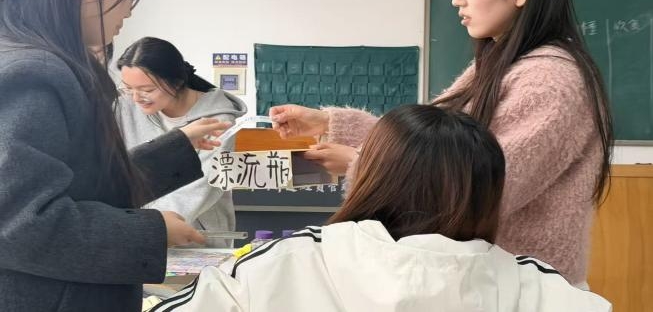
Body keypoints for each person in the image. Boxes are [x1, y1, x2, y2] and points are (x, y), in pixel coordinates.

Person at [269, 0, 613, 286]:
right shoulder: (501, 64)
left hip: (523, 289)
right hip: (491, 281)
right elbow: (432, 148)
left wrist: (360, 164)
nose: (456, 0)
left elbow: (480, 192)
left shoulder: (549, 82)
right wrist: (328, 123)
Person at [152, 105, 611, 312]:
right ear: (488, 191)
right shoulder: (540, 289)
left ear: (370, 173)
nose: (459, 0)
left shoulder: (282, 265)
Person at [0, 0, 230, 312]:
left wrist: (178, 145)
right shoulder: (32, 71)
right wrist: (151, 232)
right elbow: (18, 222)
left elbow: (87, 185)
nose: (130, 8)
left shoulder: (37, 58)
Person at [116, 37, 247, 245]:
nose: (136, 98)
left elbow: (200, 189)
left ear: (176, 82)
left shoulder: (218, 120)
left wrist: (146, 226)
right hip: (139, 234)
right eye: (128, 88)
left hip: (198, 240)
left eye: (147, 90)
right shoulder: (124, 107)